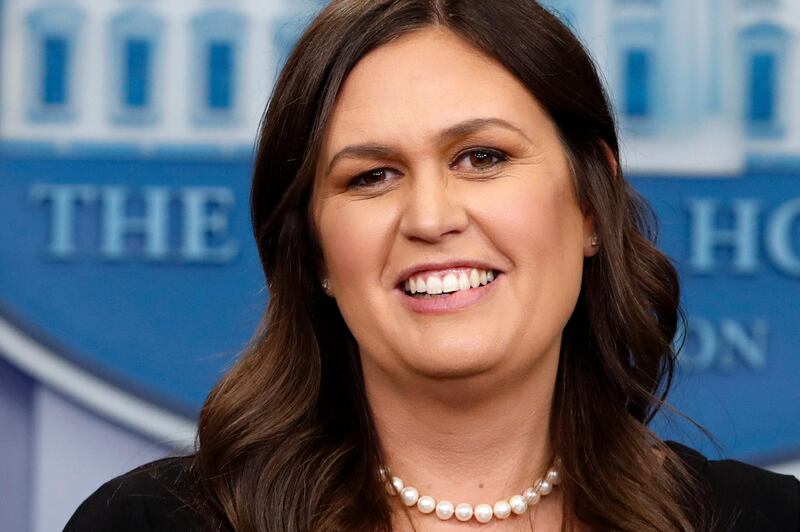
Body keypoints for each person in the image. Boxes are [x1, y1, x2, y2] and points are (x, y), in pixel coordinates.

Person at [65, 1, 799, 531]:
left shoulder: (762, 521)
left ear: (588, 204)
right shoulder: (151, 523)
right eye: (371, 176)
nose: (430, 217)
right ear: (316, 251)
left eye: (482, 157)